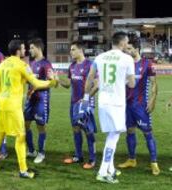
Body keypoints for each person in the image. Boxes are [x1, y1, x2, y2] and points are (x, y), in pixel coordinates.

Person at [0, 39, 58, 178]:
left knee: (0, 133)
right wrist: (52, 82)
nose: (25, 51)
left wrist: (2, 94)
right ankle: (23, 170)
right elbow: (36, 82)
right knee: (20, 136)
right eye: (24, 48)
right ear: (18, 51)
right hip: (13, 106)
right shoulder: (22, 65)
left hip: (2, 103)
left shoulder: (2, 64)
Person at [84, 32, 135, 183]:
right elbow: (132, 84)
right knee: (114, 136)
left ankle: (111, 169)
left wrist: (86, 98)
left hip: (103, 102)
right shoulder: (127, 59)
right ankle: (102, 172)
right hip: (116, 103)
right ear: (122, 42)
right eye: (127, 42)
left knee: (111, 136)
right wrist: (123, 80)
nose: (127, 45)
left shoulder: (100, 57)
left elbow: (90, 78)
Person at [118, 36, 160, 175]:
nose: (127, 51)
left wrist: (153, 100)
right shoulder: (125, 64)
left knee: (147, 132)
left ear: (137, 49)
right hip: (127, 105)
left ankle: (154, 162)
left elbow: (154, 84)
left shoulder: (147, 64)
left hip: (141, 106)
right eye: (126, 48)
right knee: (130, 131)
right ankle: (131, 159)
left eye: (129, 48)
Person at [59, 41, 98, 169]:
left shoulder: (90, 65)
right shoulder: (72, 66)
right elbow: (68, 84)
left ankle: (92, 159)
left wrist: (87, 99)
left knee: (88, 130)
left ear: (81, 50)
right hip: (74, 103)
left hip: (86, 103)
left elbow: (97, 84)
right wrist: (57, 78)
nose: (71, 52)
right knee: (76, 128)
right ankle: (78, 156)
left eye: (73, 49)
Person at [24, 38, 54, 164]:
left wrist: (36, 86)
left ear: (38, 48)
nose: (29, 50)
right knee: (25, 125)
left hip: (42, 99)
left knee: (40, 126)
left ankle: (41, 152)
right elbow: (28, 79)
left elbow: (50, 83)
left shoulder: (46, 64)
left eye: (31, 48)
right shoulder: (30, 64)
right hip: (30, 99)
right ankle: (31, 150)